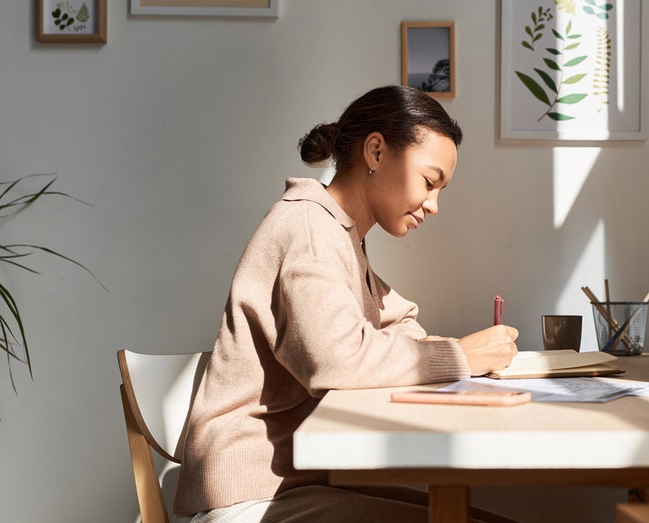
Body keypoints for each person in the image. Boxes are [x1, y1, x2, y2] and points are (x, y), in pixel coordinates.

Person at [175, 85, 520, 522]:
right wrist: (456, 356)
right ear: (375, 151)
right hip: (249, 497)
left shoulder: (339, 232)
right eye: (430, 182)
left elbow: (398, 318)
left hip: (293, 483)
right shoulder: (309, 229)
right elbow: (334, 360)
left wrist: (428, 347)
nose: (433, 205)